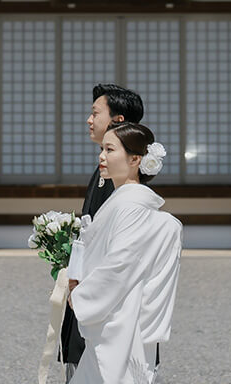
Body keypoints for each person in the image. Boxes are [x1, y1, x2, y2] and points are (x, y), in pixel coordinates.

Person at [67, 122, 182, 384]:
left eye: (109, 149)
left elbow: (120, 266)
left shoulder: (130, 206)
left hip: (121, 325)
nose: (102, 156)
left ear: (135, 159)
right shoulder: (124, 202)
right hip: (113, 319)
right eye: (101, 149)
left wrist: (79, 294)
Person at [61, 84, 144, 380]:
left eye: (95, 113)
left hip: (102, 302)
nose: (88, 119)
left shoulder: (125, 180)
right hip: (87, 292)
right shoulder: (104, 170)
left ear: (117, 120)